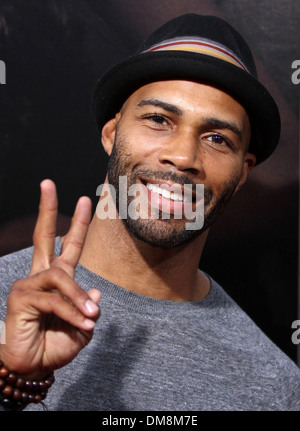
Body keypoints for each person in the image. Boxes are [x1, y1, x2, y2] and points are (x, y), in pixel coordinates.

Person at [0, 13, 299, 411]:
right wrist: (17, 379)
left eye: (216, 138)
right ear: (112, 134)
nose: (182, 156)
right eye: (159, 119)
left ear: (243, 172)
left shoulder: (274, 385)